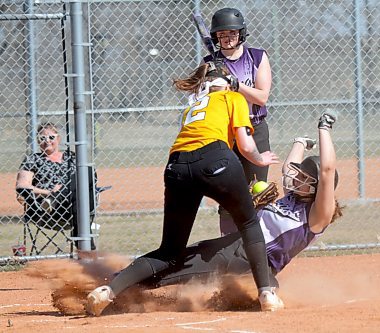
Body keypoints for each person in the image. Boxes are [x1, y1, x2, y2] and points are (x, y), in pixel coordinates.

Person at [86, 111, 340, 315]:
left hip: (246, 260)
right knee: (178, 259)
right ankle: (114, 285)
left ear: (318, 189)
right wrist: (299, 142)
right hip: (232, 245)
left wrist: (323, 127)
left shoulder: (316, 217)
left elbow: (327, 170)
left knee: (174, 272)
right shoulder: (294, 198)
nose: (295, 179)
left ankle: (111, 294)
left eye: (304, 178)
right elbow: (289, 167)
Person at [86, 61, 282, 316]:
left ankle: (108, 291)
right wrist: (260, 159)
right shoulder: (233, 97)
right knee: (249, 225)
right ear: (226, 82)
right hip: (216, 159)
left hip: (176, 166)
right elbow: (245, 146)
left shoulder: (192, 105)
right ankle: (266, 293)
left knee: (169, 251)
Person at [205, 7, 274, 235]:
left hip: (255, 129)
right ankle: (227, 247)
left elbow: (262, 96)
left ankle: (258, 246)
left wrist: (236, 85)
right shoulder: (209, 63)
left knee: (258, 191)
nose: (227, 38)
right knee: (227, 193)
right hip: (225, 133)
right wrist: (216, 83)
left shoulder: (257, 57)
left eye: (232, 33)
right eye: (222, 34)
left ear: (241, 33)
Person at [15, 122, 97, 250]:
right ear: (38, 141)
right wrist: (47, 192)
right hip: (47, 209)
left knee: (88, 171)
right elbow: (22, 186)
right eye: (42, 138)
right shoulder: (33, 159)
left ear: (58, 139)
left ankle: (57, 197)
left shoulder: (72, 157)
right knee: (80, 197)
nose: (47, 141)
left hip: (73, 203)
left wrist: (58, 193)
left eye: (51, 137)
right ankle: (88, 249)